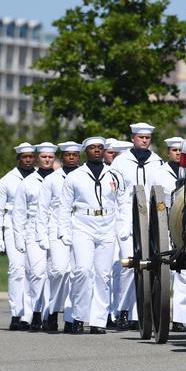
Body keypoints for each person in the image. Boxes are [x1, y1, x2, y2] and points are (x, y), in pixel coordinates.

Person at [59, 137, 131, 334]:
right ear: (85, 151)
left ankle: (98, 320)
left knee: (103, 274)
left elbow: (123, 201)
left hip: (107, 225)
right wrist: (63, 231)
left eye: (100, 148)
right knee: (82, 271)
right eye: (93, 148)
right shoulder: (75, 176)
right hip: (82, 225)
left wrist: (124, 225)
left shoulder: (114, 174)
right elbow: (64, 206)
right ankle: (79, 317)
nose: (97, 151)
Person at [110, 122, 163, 330]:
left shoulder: (157, 162)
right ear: (133, 138)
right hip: (125, 218)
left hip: (150, 218)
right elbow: (112, 194)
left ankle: (136, 313)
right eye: (140, 137)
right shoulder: (120, 162)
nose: (144, 140)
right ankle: (122, 310)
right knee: (128, 266)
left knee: (147, 266)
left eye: (147, 138)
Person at [37, 140, 82, 332]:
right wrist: (42, 236)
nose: (71, 157)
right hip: (55, 229)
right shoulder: (52, 179)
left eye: (75, 154)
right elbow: (42, 209)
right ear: (62, 157)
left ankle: (71, 318)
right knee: (60, 270)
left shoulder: (84, 176)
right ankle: (53, 310)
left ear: (79, 157)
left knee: (76, 272)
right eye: (67, 154)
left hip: (80, 227)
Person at [13, 142, 58, 330]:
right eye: (44, 157)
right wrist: (18, 238)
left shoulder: (60, 180)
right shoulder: (27, 182)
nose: (47, 160)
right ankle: (35, 313)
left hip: (54, 229)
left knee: (54, 273)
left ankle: (50, 313)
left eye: (50, 157)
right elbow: (18, 212)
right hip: (32, 230)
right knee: (37, 273)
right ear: (38, 158)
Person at [0, 142, 36, 330]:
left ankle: (31, 314)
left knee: (33, 271)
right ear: (18, 158)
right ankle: (16, 314)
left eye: (30, 156)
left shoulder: (39, 178)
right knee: (17, 269)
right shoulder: (7, 180)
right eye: (24, 157)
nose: (27, 160)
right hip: (11, 226)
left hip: (33, 226)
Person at [153, 136, 186, 332]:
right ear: (168, 152)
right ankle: (161, 312)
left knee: (185, 274)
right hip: (163, 223)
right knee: (164, 271)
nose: (178, 153)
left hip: (185, 225)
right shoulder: (159, 173)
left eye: (181, 151)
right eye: (174, 150)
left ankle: (179, 318)